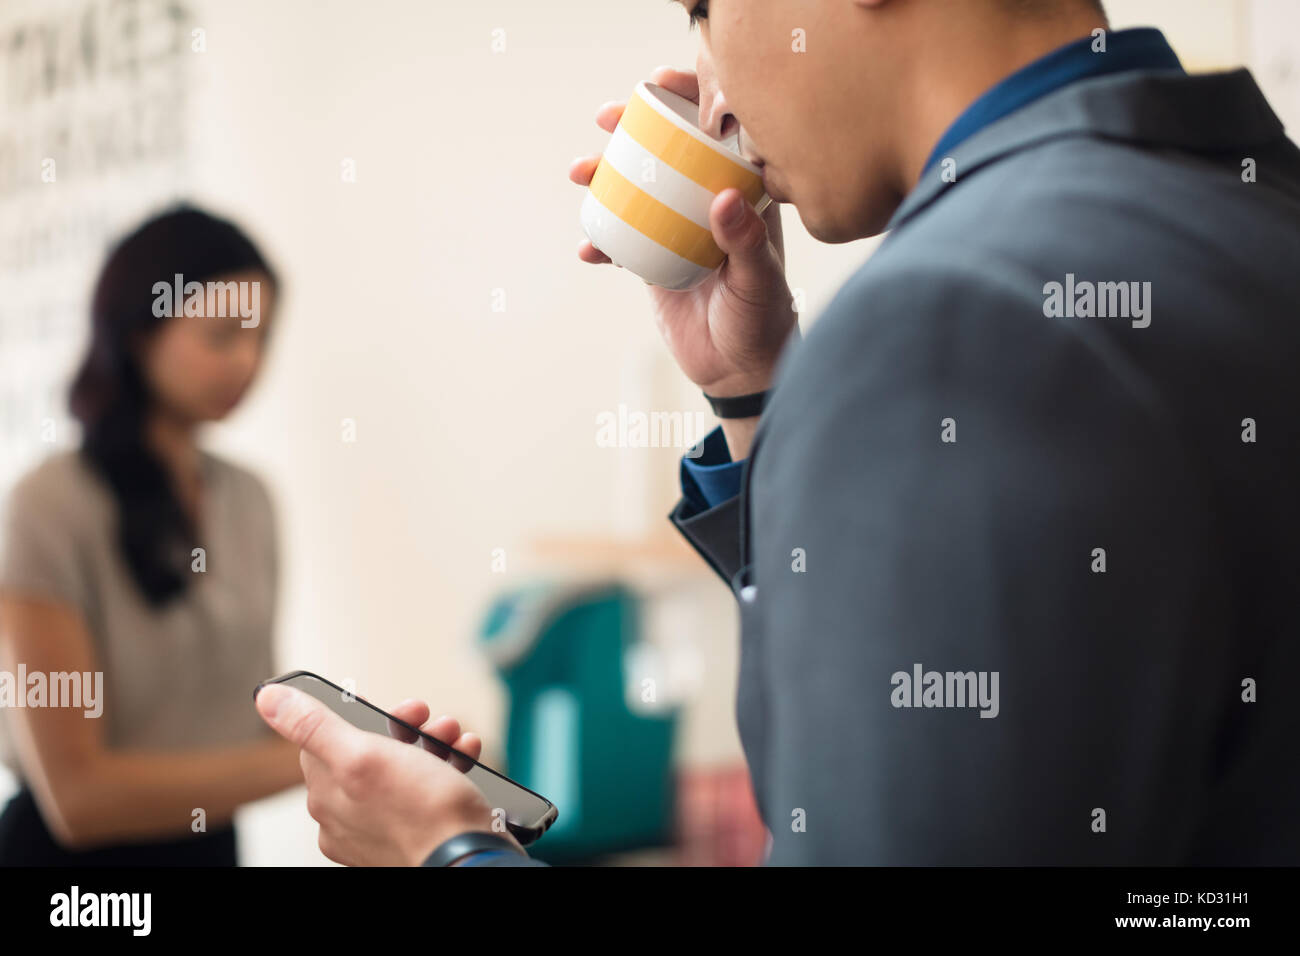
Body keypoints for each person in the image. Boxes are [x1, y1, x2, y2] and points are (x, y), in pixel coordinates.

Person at [256, 0, 1300, 865]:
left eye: (704, 11)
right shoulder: (1245, 206)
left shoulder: (952, 312)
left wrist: (447, 849)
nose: (708, 97)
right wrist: (757, 393)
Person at [0, 206, 303, 865]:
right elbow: (77, 800)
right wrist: (320, 761)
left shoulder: (250, 501)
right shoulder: (47, 507)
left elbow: (257, 717)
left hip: (211, 848)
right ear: (140, 333)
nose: (248, 362)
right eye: (223, 336)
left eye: (262, 338)